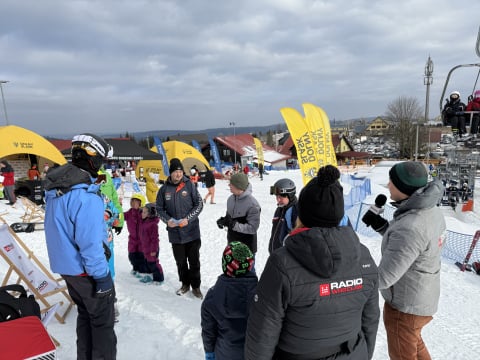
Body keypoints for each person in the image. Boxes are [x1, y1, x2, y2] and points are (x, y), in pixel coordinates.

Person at [245, 165, 380, 360]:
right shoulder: (364, 256)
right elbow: (370, 321)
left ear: (302, 214)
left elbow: (263, 332)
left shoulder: (282, 263)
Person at [362, 161, 446, 360]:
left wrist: (354, 273)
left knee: (403, 354)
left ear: (403, 188)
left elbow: (383, 279)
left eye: (392, 181)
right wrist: (383, 227)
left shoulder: (410, 225)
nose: (388, 185)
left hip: (405, 307)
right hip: (422, 297)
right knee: (415, 343)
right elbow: (413, 247)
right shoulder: (429, 210)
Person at [43, 133, 116, 360]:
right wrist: (102, 277)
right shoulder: (85, 197)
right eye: (102, 161)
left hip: (68, 269)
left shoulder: (57, 191)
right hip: (87, 272)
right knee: (103, 326)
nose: (102, 167)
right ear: (93, 160)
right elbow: (89, 245)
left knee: (85, 317)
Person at [156, 158, 204, 299]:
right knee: (181, 262)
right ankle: (185, 284)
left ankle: (196, 287)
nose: (178, 174)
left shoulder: (190, 186)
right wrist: (168, 220)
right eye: (175, 172)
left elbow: (199, 205)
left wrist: (188, 219)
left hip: (192, 233)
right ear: (170, 173)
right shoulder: (164, 189)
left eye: (180, 171)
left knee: (194, 261)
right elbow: (159, 209)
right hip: (175, 234)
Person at [201, 241, 257, 360]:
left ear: (225, 265)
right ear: (250, 265)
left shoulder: (212, 296)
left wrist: (209, 351)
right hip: (255, 352)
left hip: (225, 352)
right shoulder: (263, 293)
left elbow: (208, 330)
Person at [216, 173, 261, 254]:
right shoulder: (230, 199)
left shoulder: (252, 204)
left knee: (248, 267)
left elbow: (253, 228)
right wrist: (224, 221)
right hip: (232, 244)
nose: (229, 185)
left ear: (238, 186)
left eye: (231, 184)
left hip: (246, 248)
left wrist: (234, 225)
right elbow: (229, 217)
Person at [268, 178, 298, 253]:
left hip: (286, 258)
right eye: (276, 197)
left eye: (281, 197)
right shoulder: (279, 209)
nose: (278, 200)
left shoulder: (295, 212)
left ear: (290, 196)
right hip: (276, 255)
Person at [138, 203, 164, 284]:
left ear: (150, 214)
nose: (142, 213)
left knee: (153, 264)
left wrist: (153, 250)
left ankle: (159, 278)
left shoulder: (153, 225)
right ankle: (149, 276)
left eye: (145, 212)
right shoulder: (144, 222)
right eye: (142, 211)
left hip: (152, 249)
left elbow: (154, 239)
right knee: (147, 263)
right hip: (145, 248)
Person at [124, 193, 148, 276]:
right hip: (133, 239)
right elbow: (121, 216)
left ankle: (143, 272)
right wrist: (119, 205)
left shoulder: (144, 213)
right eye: (133, 202)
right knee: (132, 255)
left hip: (143, 240)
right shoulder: (129, 213)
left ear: (141, 203)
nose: (134, 204)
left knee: (142, 256)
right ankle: (135, 268)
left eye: (137, 202)